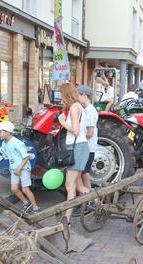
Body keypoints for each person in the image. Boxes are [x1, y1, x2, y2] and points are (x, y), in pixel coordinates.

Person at [0, 121, 39, 213]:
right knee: (14, 189)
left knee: (25, 189)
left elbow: (26, 157)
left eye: (0, 132)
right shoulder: (4, 143)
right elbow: (6, 155)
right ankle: (26, 203)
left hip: (23, 168)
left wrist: (19, 168)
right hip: (14, 169)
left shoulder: (17, 143)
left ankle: (35, 207)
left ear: (8, 132)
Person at [58, 82, 90, 221]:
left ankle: (67, 219)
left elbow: (76, 131)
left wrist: (63, 122)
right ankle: (98, 197)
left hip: (78, 148)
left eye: (61, 95)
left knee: (69, 185)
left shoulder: (74, 108)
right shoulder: (78, 107)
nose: (61, 98)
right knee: (79, 186)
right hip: (78, 148)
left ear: (66, 95)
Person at [77, 85, 99, 191]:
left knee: (84, 173)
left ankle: (90, 198)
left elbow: (90, 133)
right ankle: (88, 197)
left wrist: (76, 137)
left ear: (84, 96)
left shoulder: (90, 111)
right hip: (86, 147)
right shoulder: (87, 110)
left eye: (78, 96)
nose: (77, 99)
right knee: (83, 173)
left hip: (88, 148)